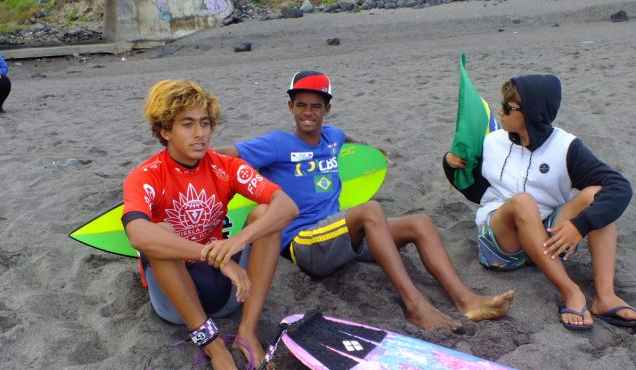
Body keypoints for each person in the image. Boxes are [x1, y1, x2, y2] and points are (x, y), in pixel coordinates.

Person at [215, 70, 514, 332]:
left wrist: (372, 151)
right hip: (304, 243)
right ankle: (415, 306)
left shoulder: (332, 136)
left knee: (420, 222)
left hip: (339, 237)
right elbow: (224, 154)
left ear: (327, 108)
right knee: (370, 210)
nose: (308, 112)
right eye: (301, 105)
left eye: (316, 106)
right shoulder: (276, 143)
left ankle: (467, 301)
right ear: (290, 106)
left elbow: (346, 138)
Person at [122, 80, 298, 370]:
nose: (200, 133)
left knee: (264, 216)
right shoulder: (145, 176)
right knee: (157, 232)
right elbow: (137, 234)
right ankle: (214, 347)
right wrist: (209, 254)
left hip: (229, 291)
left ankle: (246, 332)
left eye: (204, 123)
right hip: (175, 301)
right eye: (187, 124)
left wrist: (237, 242)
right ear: (165, 130)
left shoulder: (227, 167)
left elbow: (286, 206)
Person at [443, 74, 636, 330]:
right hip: (501, 245)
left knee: (598, 196)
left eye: (508, 107)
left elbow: (619, 187)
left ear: (531, 113)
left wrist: (580, 225)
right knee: (523, 202)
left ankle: (605, 296)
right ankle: (570, 291)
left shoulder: (566, 147)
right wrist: (451, 164)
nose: (500, 112)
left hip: (545, 238)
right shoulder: (492, 142)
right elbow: (476, 192)